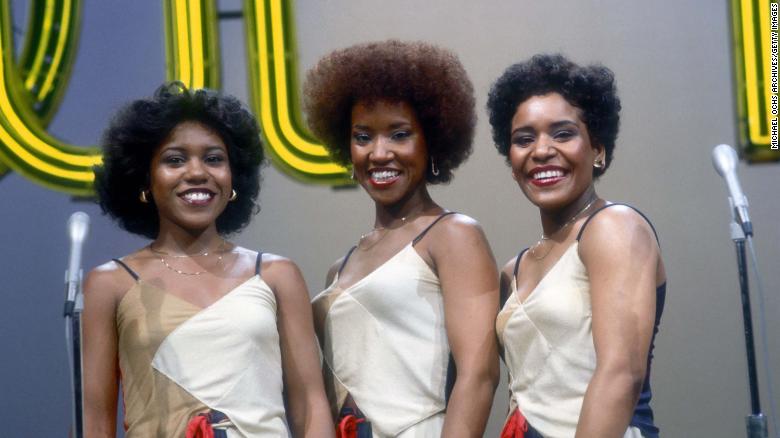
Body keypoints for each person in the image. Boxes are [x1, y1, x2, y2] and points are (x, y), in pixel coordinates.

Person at [83, 82, 334, 437]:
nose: (197, 172)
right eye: (175, 160)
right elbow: (95, 422)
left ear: (234, 178)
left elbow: (311, 405)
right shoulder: (110, 283)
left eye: (214, 158)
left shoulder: (276, 275)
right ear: (144, 180)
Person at [303, 40, 500, 437]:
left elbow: (479, 376)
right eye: (363, 136)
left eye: (399, 134)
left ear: (432, 141)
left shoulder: (453, 235)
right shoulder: (338, 268)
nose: (379, 153)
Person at [487, 54, 666, 438]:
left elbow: (622, 372)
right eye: (524, 139)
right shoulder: (512, 269)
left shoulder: (614, 227)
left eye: (563, 133)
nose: (541, 150)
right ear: (511, 159)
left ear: (597, 149)